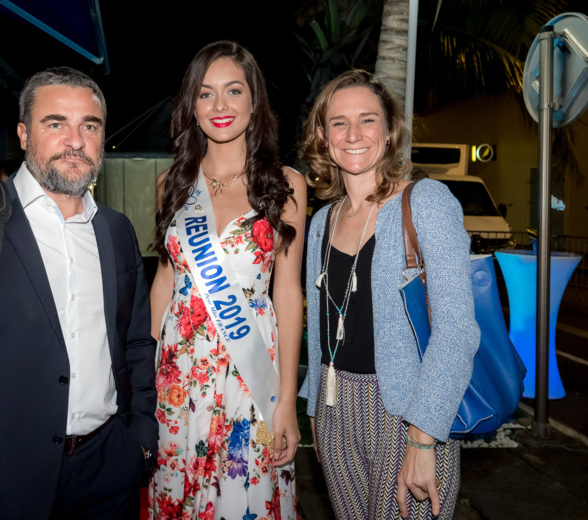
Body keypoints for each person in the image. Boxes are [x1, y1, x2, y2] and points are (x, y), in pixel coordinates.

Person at [0, 67, 157, 519]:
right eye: (56, 123)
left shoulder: (116, 230)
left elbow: (135, 342)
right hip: (2, 476)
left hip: (110, 468)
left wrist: (139, 440)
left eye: (90, 126)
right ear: (23, 134)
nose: (75, 141)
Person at [299, 69, 480, 520]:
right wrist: (316, 412)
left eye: (368, 120)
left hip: (410, 411)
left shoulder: (427, 202)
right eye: (339, 123)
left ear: (389, 131)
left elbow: (457, 330)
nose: (353, 134)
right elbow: (319, 333)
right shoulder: (321, 221)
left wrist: (424, 437)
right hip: (335, 410)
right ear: (322, 136)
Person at [149, 41, 306, 519]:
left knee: (245, 493)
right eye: (205, 93)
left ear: (254, 100)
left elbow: (288, 293)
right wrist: (147, 379)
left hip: (250, 369)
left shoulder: (285, 184)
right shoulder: (170, 184)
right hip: (179, 369)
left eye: (233, 90)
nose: (220, 105)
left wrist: (286, 401)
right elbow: (165, 281)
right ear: (192, 107)